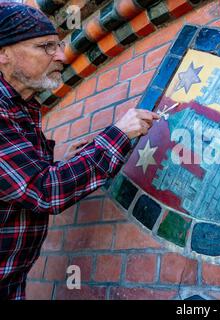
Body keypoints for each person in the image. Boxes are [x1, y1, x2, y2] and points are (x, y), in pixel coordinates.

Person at [0, 2, 159, 299]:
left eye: (58, 45)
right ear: (3, 54)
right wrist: (119, 134)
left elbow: (26, 184)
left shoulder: (21, 110)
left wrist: (78, 159)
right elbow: (45, 191)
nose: (61, 55)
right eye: (45, 46)